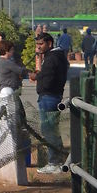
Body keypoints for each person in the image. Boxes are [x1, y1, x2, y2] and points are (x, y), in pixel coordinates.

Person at [35, 32, 69, 173]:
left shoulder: (52, 58)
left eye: (41, 44)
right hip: (53, 96)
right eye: (37, 45)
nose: (39, 48)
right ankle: (58, 160)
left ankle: (54, 162)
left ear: (49, 43)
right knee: (52, 131)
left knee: (49, 130)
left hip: (49, 97)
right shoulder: (57, 56)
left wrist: (39, 78)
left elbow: (48, 80)